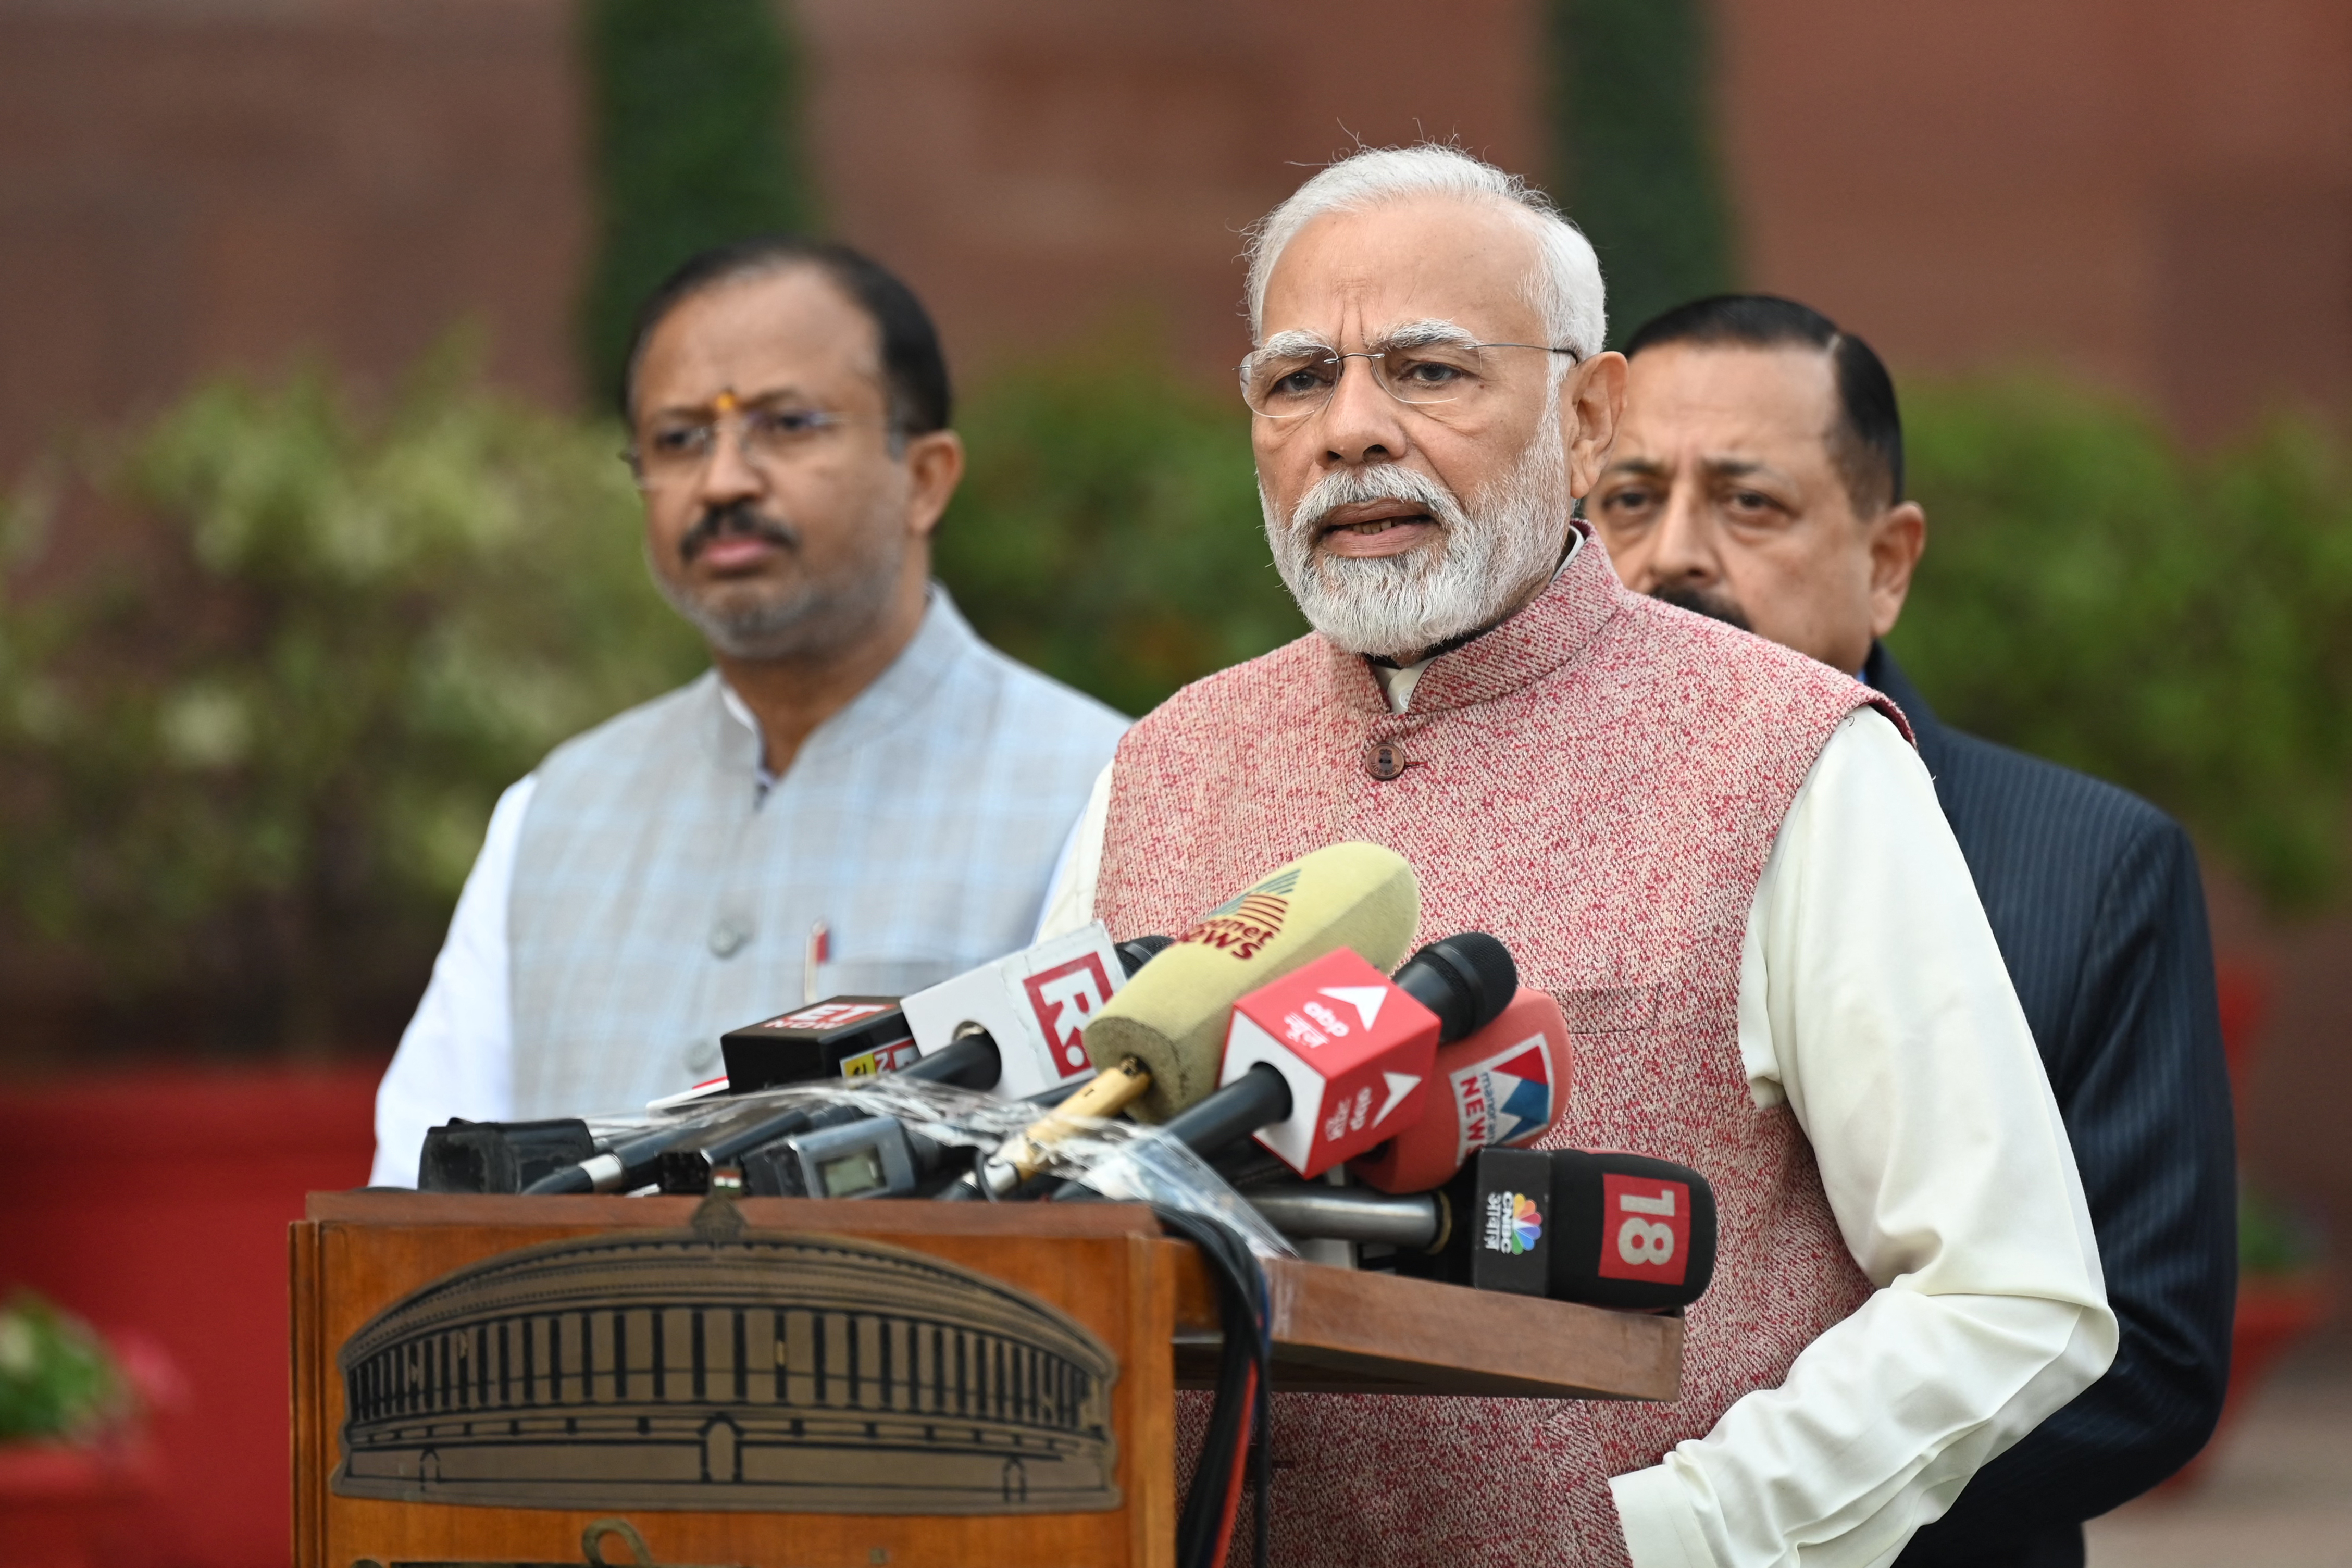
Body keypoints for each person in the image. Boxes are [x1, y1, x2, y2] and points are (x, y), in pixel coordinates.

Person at [1039, 144, 2114, 1568]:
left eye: (1426, 371)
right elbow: (1041, 1231)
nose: (1351, 428)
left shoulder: (1793, 757)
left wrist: (1662, 1538)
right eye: (1298, 379)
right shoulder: (1157, 763)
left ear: (1588, 415)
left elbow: (2007, 1289)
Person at [1588, 293, 2236, 1567]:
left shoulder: (2088, 866)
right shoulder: (1505, 831)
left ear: (1886, 560)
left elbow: (2146, 1351)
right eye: (1623, 499)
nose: (1671, 555)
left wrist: (1713, 1512)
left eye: (1748, 502)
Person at [369, 237, 1126, 1184]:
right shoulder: (552, 813)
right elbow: (417, 1191)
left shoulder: (1107, 794)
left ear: (925, 477)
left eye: (788, 424)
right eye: (680, 438)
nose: (724, 480)